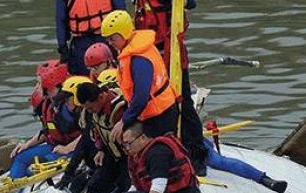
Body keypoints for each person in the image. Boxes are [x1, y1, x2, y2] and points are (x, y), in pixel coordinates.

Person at [130, 0, 207, 171]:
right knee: (157, 106)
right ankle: (163, 148)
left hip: (172, 56)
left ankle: (197, 155)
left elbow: (190, 4)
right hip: (150, 57)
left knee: (184, 104)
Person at [63, 78, 130, 193]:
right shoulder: (92, 112)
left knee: (129, 189)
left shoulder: (119, 110)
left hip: (131, 157)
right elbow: (96, 131)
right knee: (94, 187)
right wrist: (100, 148)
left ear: (101, 97)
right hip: (111, 155)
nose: (90, 111)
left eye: (91, 107)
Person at [100, 11, 181, 144]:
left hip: (161, 113)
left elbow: (141, 96)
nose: (109, 43)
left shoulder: (139, 59)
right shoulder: (130, 50)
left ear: (124, 34)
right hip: (150, 111)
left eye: (112, 39)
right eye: (107, 39)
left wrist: (124, 121)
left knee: (158, 153)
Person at [8, 60, 82, 193]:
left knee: (38, 165)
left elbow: (88, 132)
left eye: (40, 84)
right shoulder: (48, 103)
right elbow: (48, 130)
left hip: (74, 149)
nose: (37, 87)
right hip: (57, 146)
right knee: (21, 156)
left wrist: (67, 148)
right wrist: (27, 144)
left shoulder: (74, 104)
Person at [55, 0, 126, 75]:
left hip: (83, 43)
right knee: (112, 73)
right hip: (106, 39)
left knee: (83, 77)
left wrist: (63, 48)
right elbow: (121, 11)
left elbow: (60, 21)